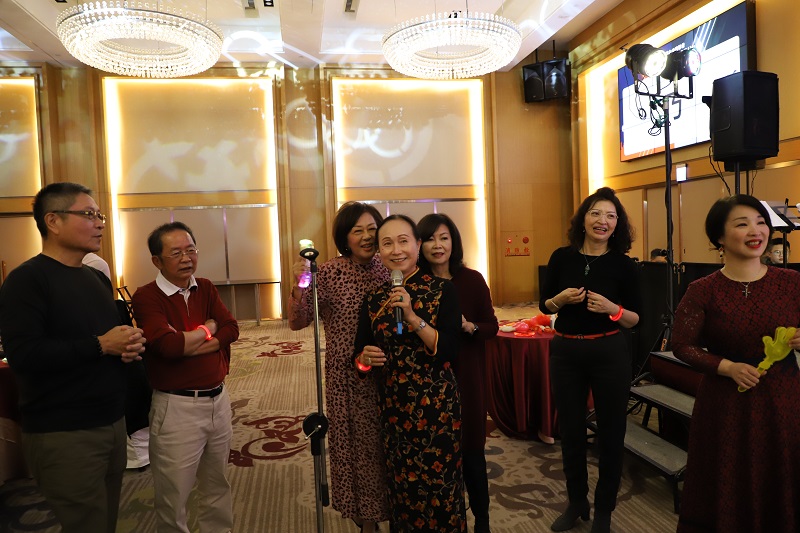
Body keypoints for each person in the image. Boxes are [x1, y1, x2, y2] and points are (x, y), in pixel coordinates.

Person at [0, 182, 146, 533]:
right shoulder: (27, 280)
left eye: (100, 215)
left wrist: (126, 346)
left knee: (106, 521)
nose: (100, 223)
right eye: (89, 214)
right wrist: (102, 345)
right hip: (64, 432)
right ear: (53, 221)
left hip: (112, 422)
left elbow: (104, 339)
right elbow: (24, 354)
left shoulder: (95, 277)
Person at [671, 195, 800, 533]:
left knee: (781, 474)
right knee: (728, 476)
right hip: (725, 404)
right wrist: (727, 367)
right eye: (742, 224)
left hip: (783, 402)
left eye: (761, 222)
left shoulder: (792, 283)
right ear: (719, 237)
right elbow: (681, 345)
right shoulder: (703, 290)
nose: (756, 231)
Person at [354, 214, 465, 532]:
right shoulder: (374, 299)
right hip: (393, 410)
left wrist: (413, 317)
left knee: (441, 491)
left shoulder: (442, 290)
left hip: (436, 409)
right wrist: (364, 359)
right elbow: (359, 360)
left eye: (404, 241)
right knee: (403, 493)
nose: (396, 250)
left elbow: (449, 350)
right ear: (379, 252)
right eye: (387, 244)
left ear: (417, 245)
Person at [539, 187, 641, 533]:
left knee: (611, 433)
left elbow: (636, 319)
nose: (603, 221)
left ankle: (604, 511)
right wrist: (559, 300)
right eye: (596, 213)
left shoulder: (624, 265)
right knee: (570, 431)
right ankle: (577, 502)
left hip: (608, 352)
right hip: (566, 352)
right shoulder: (561, 257)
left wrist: (614, 310)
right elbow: (544, 305)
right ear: (583, 219)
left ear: (617, 225)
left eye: (611, 216)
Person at [287, 201, 390, 532]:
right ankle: (367, 520)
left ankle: (394, 510)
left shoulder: (389, 268)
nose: (367, 236)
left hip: (388, 371)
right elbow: (298, 321)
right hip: (347, 377)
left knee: (388, 446)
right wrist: (302, 282)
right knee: (359, 451)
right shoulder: (330, 272)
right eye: (358, 231)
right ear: (345, 237)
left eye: (372, 229)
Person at [131, 222, 239, 533]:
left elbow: (232, 328)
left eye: (191, 250)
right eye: (176, 253)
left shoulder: (204, 287)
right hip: (176, 408)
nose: (186, 258)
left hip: (219, 400)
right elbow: (168, 347)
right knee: (173, 495)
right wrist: (209, 328)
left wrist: (192, 341)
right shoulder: (147, 296)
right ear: (157, 260)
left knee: (217, 484)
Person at [418, 213, 498, 533]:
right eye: (429, 239)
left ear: (454, 242)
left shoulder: (472, 280)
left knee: (472, 454)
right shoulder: (417, 285)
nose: (437, 245)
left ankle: (483, 520)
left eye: (444, 238)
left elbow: (492, 326)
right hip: (430, 381)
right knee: (435, 455)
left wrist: (470, 326)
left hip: (467, 379)